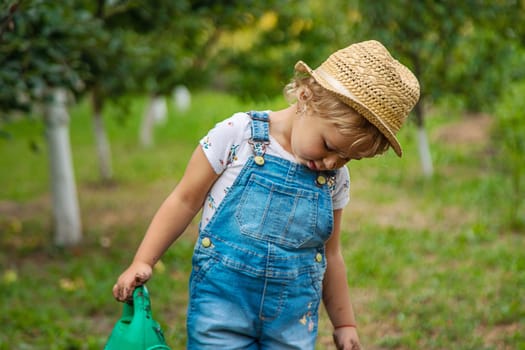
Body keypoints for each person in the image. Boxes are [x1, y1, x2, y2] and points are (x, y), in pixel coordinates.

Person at [112, 40, 420, 349]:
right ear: (305, 98)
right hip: (222, 304)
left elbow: (331, 253)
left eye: (348, 158)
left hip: (293, 318)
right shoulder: (237, 135)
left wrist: (344, 322)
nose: (332, 163)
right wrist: (144, 260)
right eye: (329, 146)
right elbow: (184, 199)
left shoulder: (334, 178)